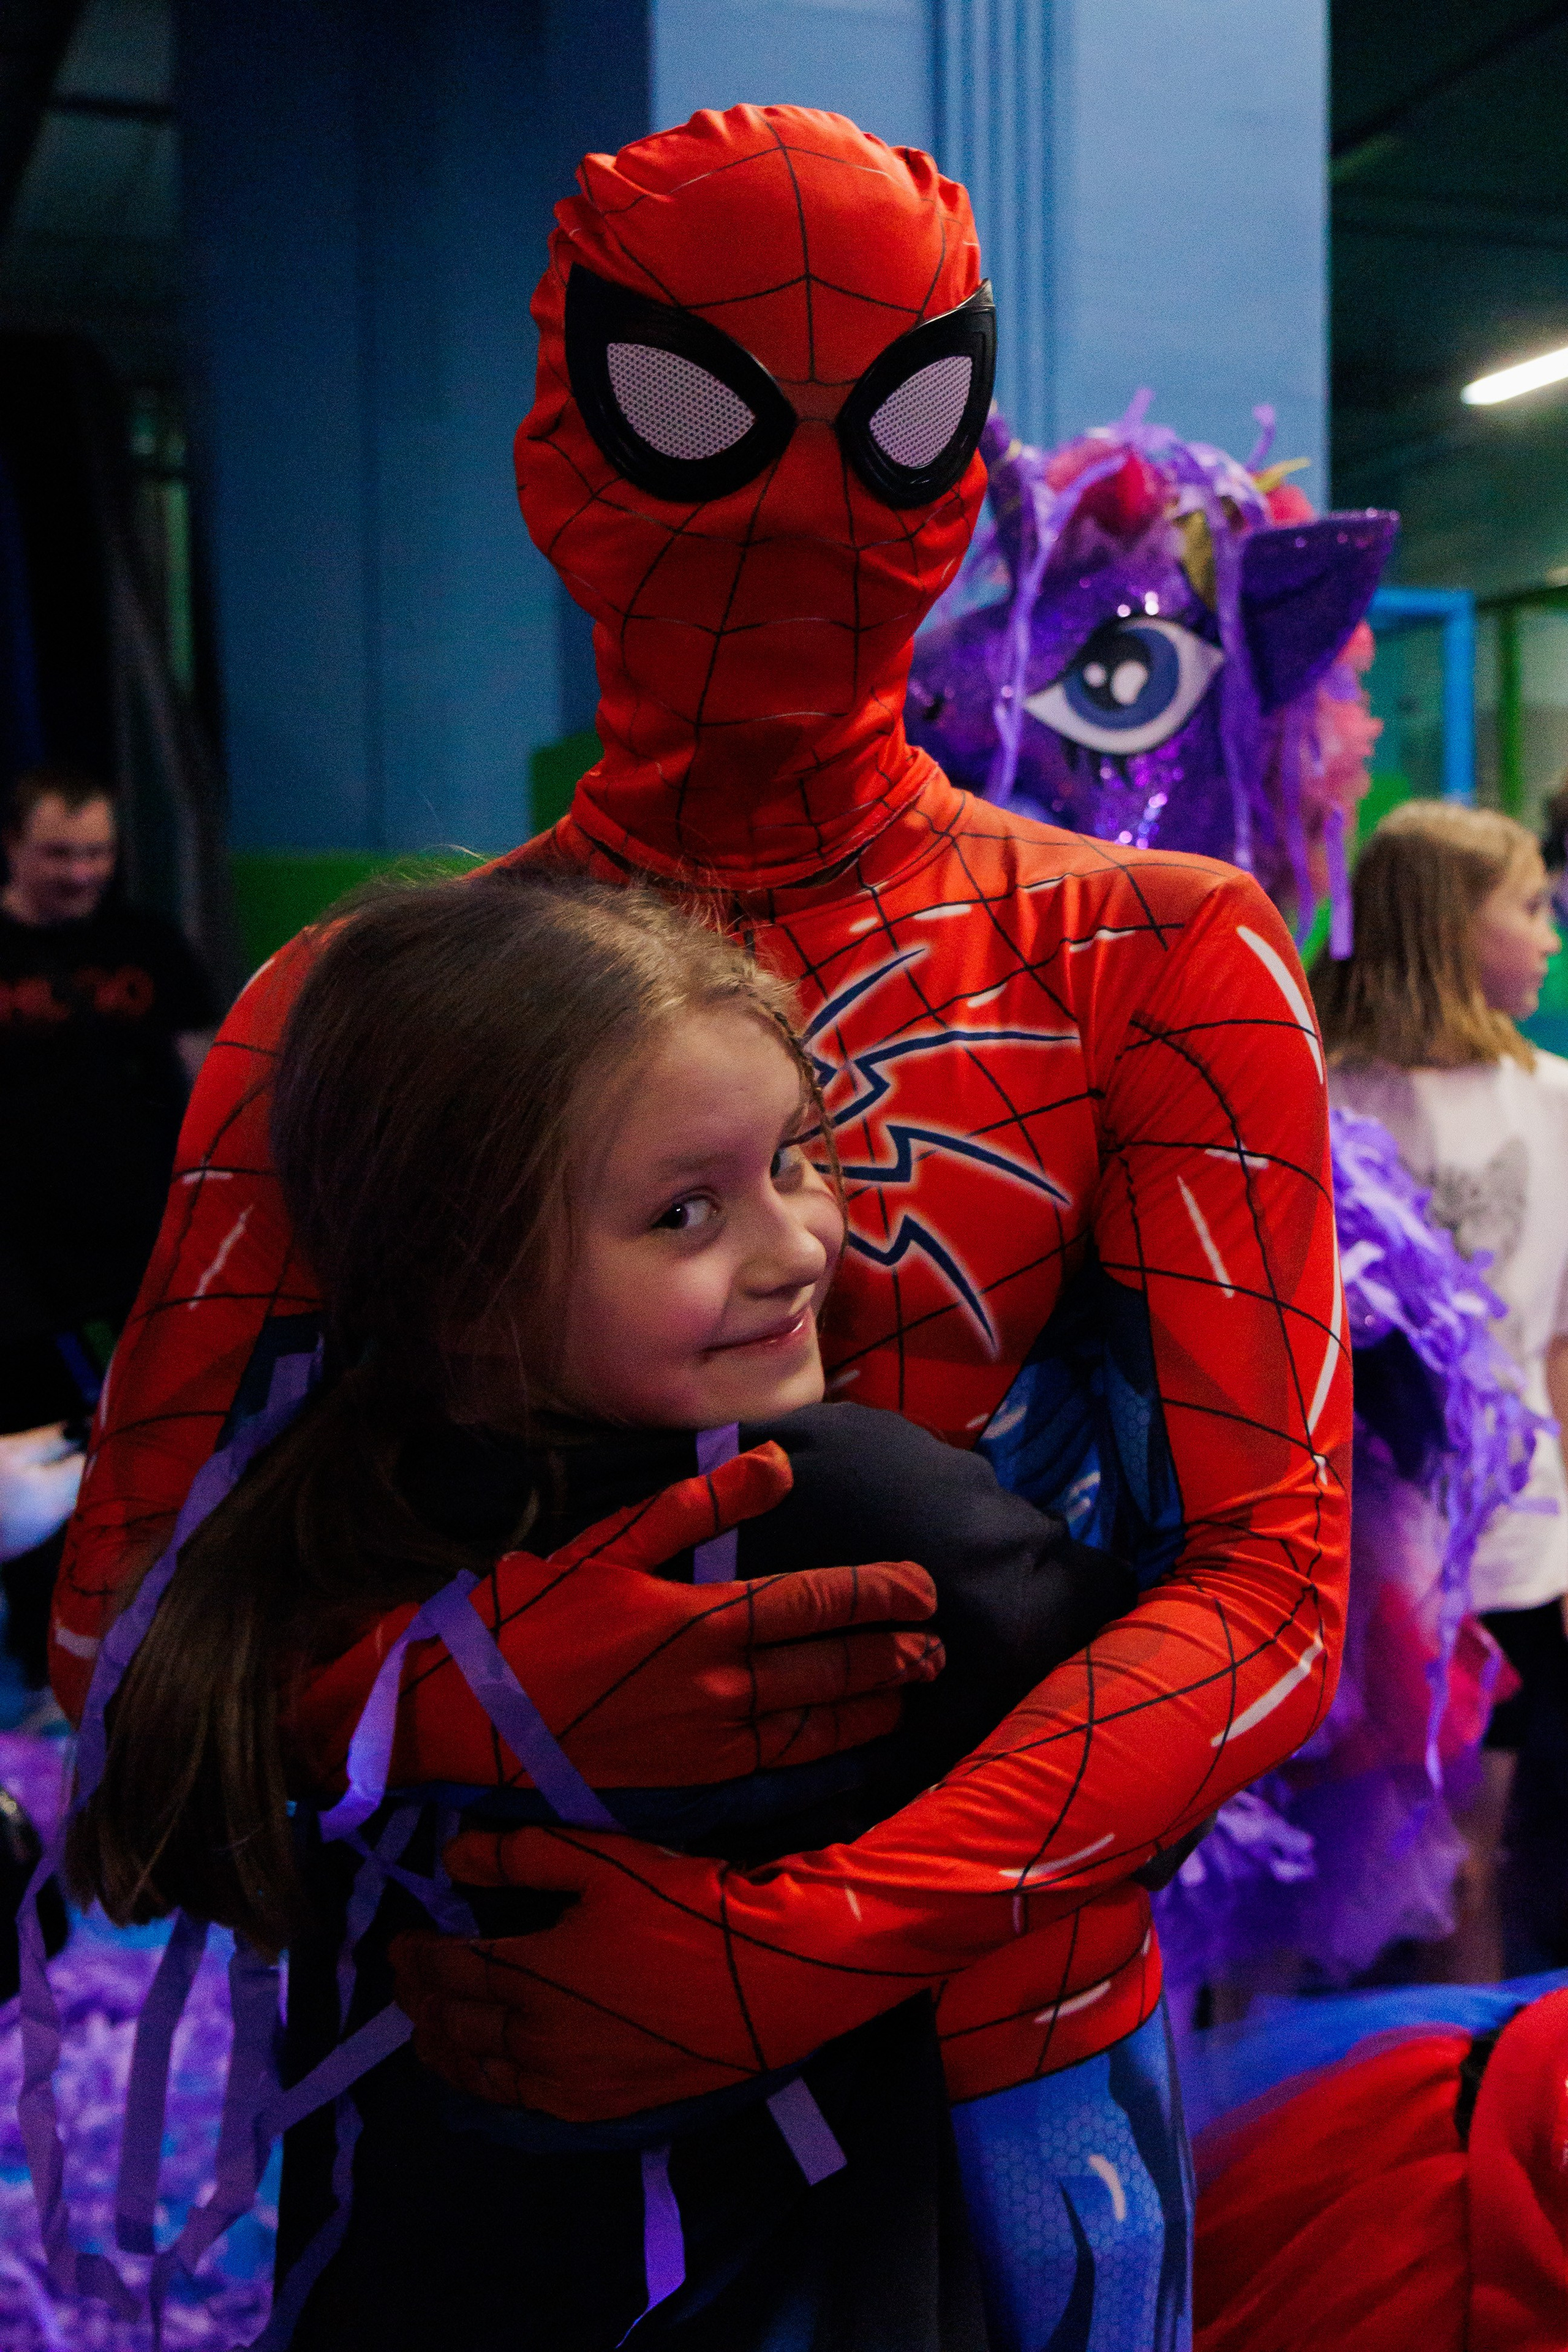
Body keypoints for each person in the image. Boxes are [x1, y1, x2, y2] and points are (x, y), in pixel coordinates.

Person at [55, 107, 1348, 2348]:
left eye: (901, 418)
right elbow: (127, 1643)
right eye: (702, 413)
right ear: (573, 437)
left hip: (985, 2093)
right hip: (491, 2067)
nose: (802, 510)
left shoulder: (1157, 955)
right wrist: (453, 1705)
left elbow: (1274, 1588)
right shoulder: (346, 1020)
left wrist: (812, 1932)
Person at [70, 867, 1140, 2348]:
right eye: (684, 1214)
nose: (794, 1250)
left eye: (797, 1159)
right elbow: (1160, 1701)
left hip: (398, 2274)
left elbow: (137, 1822)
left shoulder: (323, 1497)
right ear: (462, 1279)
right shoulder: (831, 1509)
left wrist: (374, 1708)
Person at [1316, 801, 1568, 1977]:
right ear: (1445, 931)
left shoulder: (1554, 1099)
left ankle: (1465, 2104)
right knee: (1371, 1860)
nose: (1551, 930)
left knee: (1486, 1847)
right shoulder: (1329, 1097)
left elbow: (1557, 1339)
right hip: (1367, 1548)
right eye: (1527, 907)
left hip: (1518, 1539)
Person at [0, 766, 216, 1691]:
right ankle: (39, 1668)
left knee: (150, 1455)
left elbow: (214, 1075)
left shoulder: (147, 943)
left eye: (98, 852)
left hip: (141, 1250)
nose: (83, 872)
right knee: (28, 1469)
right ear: (11, 847)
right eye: (60, 852)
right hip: (16, 1267)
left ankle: (151, 1659)